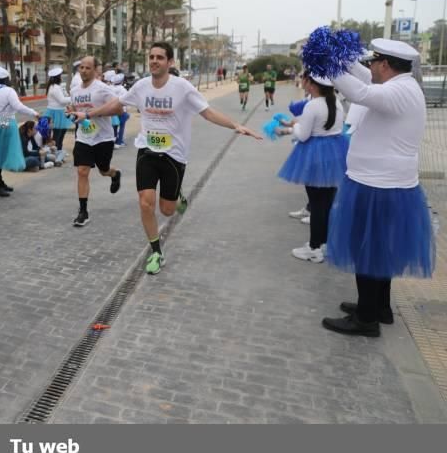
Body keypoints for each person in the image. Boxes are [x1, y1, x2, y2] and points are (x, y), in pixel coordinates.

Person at [73, 42, 261, 274]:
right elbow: (117, 104)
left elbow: (207, 112)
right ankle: (156, 252)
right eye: (151, 56)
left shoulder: (182, 87)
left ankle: (176, 197)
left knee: (168, 210)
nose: (154, 61)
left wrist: (235, 125)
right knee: (145, 202)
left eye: (160, 57)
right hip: (147, 150)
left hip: (174, 154)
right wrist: (88, 114)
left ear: (170, 62)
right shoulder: (141, 86)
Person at [322, 39, 434, 338]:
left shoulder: (398, 91)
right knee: (379, 248)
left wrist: (326, 63)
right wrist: (341, 60)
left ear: (384, 64)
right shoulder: (401, 87)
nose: (369, 66)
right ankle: (377, 306)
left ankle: (366, 318)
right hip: (384, 182)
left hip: (378, 185)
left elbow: (358, 90)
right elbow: (362, 79)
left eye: (373, 61)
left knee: (367, 249)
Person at [276, 73, 346, 263]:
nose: (303, 83)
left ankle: (314, 247)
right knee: (327, 204)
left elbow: (304, 135)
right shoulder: (337, 103)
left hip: (315, 154)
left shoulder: (313, 105)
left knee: (317, 205)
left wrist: (291, 129)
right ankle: (324, 245)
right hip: (335, 153)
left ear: (313, 85)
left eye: (305, 81)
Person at [67, 56, 122, 227]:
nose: (83, 70)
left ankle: (114, 174)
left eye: (87, 68)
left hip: (103, 137)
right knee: (82, 171)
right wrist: (71, 113)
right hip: (84, 137)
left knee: (103, 170)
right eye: (81, 67)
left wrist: (92, 114)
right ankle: (83, 211)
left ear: (96, 70)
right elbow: (75, 110)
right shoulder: (75, 91)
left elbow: (119, 109)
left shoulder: (103, 89)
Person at [0, 65, 39, 196]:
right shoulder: (8, 90)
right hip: (5, 120)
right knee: (1, 153)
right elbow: (18, 107)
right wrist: (34, 113)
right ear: (6, 78)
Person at [44, 67, 73, 151]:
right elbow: (62, 100)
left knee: (60, 135)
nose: (61, 77)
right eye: (60, 76)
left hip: (58, 112)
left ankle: (59, 151)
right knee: (58, 136)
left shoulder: (54, 86)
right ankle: (56, 153)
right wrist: (73, 98)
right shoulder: (55, 87)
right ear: (58, 77)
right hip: (57, 113)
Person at [109, 73, 130, 148]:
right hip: (121, 110)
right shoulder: (123, 89)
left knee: (114, 126)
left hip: (112, 110)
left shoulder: (110, 88)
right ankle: (120, 141)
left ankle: (114, 141)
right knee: (121, 126)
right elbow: (126, 101)